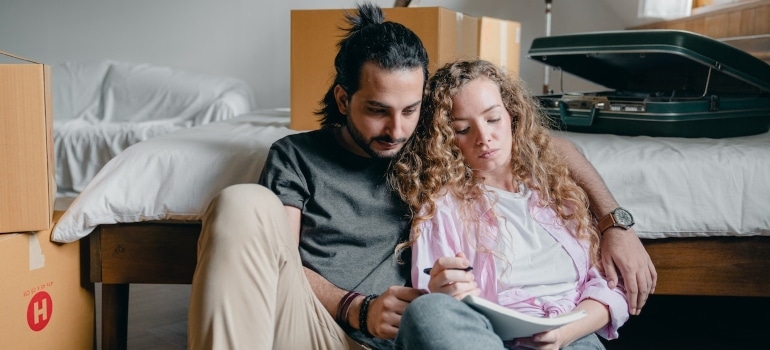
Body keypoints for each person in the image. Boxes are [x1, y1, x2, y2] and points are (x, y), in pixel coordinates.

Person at [187, 3, 654, 349]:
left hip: (416, 338)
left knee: (434, 315)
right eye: (376, 110)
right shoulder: (297, 156)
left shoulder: (433, 148)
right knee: (242, 203)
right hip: (320, 329)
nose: (395, 129)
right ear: (342, 97)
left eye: (411, 110)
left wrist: (616, 223)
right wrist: (358, 308)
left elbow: (540, 144)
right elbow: (278, 263)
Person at [390, 59, 629, 350]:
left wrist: (564, 333)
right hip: (489, 338)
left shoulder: (558, 186)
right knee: (429, 314)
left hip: (573, 334)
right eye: (463, 129)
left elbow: (610, 287)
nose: (484, 138)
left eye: (493, 119)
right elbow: (434, 300)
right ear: (445, 139)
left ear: (512, 115)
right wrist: (443, 290)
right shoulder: (443, 206)